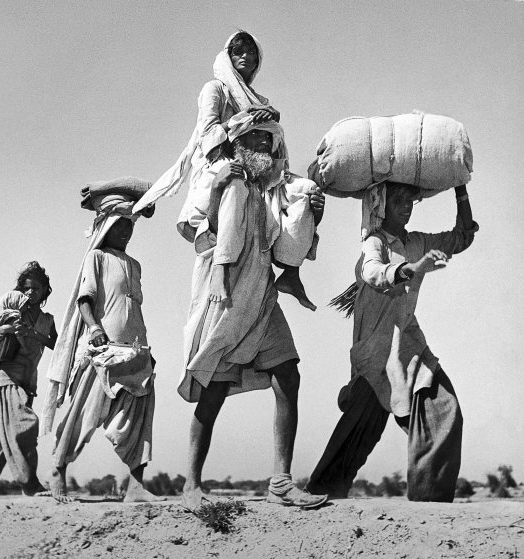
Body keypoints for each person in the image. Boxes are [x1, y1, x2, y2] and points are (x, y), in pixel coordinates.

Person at [178, 118, 327, 511]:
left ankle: (280, 481)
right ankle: (191, 484)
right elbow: (188, 227)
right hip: (222, 291)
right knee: (212, 388)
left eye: (267, 137)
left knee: (288, 373)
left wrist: (314, 213)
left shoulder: (279, 187)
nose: (261, 142)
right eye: (253, 136)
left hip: (261, 292)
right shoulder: (217, 174)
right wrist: (218, 188)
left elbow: (287, 245)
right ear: (237, 141)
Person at [307, 182, 478, 502]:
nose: (407, 205)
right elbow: (373, 272)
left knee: (445, 411)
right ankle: (322, 493)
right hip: (375, 352)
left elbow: (462, 236)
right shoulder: (373, 243)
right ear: (380, 206)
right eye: (398, 200)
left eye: (410, 199)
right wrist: (413, 269)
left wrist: (460, 191)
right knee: (360, 430)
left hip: (408, 347)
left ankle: (431, 502)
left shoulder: (418, 242)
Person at [136, 31, 318, 309]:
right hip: (222, 164)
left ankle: (291, 271)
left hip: (259, 168)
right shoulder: (215, 89)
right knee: (234, 185)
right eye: (238, 51)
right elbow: (208, 137)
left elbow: (270, 142)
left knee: (307, 191)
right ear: (228, 56)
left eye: (251, 52)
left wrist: (271, 121)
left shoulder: (260, 99)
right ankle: (220, 266)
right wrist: (246, 120)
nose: (245, 56)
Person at [43, 179, 159, 503]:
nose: (125, 231)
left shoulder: (135, 265)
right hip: (102, 351)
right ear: (107, 226)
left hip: (136, 348)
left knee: (139, 414)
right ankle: (58, 471)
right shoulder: (96, 257)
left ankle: (136, 485)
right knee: (82, 415)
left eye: (129, 225)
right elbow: (85, 300)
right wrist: (94, 328)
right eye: (119, 225)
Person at [0, 262, 57, 499]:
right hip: (8, 377)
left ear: (45, 291)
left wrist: (33, 334)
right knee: (25, 426)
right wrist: (6, 330)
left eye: (37, 288)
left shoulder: (46, 320)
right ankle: (29, 482)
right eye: (27, 288)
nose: (31, 293)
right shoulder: (10, 310)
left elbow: (58, 345)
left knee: (1, 437)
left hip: (28, 382)